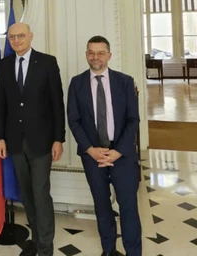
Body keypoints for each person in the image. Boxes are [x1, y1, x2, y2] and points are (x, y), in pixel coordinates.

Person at [67, 35, 141, 256]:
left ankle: (133, 252)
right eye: (91, 52)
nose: (95, 57)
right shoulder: (76, 83)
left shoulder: (125, 81)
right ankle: (108, 250)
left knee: (128, 208)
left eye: (100, 53)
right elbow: (74, 120)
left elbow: (133, 120)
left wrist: (118, 152)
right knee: (102, 207)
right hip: (92, 156)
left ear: (109, 55)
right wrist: (91, 150)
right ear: (86, 55)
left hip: (122, 155)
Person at [0, 22, 65, 256]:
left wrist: (59, 139)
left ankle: (45, 248)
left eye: (21, 36)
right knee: (26, 194)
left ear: (31, 37)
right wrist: (0, 138)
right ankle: (36, 239)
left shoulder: (47, 62)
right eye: (12, 37)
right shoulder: (4, 65)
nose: (16, 40)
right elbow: (1, 105)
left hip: (42, 142)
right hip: (14, 142)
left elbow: (57, 103)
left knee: (41, 193)